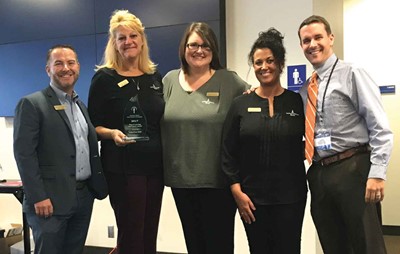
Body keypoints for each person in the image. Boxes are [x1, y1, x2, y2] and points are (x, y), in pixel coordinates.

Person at [298, 15, 393, 254]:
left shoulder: (352, 73)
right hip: (319, 173)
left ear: (330, 38)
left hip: (353, 169)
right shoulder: (305, 89)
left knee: (366, 245)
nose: (312, 44)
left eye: (318, 37)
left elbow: (380, 126)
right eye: (306, 40)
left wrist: (377, 173)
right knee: (333, 245)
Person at [161, 22, 249, 254]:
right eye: (193, 45)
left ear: (213, 50)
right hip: (181, 181)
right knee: (194, 244)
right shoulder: (169, 81)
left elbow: (255, 100)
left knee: (218, 246)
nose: (199, 50)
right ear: (184, 48)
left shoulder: (229, 81)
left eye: (205, 45)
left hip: (217, 182)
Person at [13, 44, 108, 254]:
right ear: (48, 69)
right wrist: (38, 196)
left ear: (78, 67)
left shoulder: (80, 105)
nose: (66, 68)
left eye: (71, 62)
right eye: (59, 63)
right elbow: (24, 154)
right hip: (49, 201)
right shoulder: (32, 104)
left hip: (83, 196)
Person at [221, 28, 307, 254]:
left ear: (280, 63)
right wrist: (237, 192)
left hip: (291, 198)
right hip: (252, 200)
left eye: (270, 61)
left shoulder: (296, 101)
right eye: (258, 62)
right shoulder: (240, 105)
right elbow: (227, 152)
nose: (263, 67)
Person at [87, 10, 164, 254]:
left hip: (154, 167)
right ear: (114, 43)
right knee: (131, 233)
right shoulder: (104, 78)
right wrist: (112, 134)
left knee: (150, 230)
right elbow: (92, 126)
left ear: (142, 40)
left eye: (133, 35)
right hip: (123, 167)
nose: (128, 41)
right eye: (121, 38)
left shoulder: (154, 77)